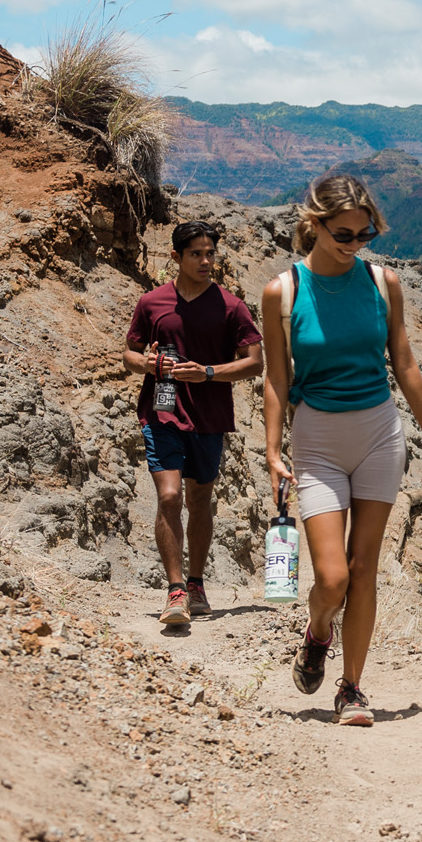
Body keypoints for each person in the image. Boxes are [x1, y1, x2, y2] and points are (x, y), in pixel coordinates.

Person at [260, 173, 422, 726]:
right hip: (316, 439)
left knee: (365, 570)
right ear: (312, 224)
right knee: (333, 578)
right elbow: (275, 376)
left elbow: (404, 362)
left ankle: (352, 689)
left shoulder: (384, 282)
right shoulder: (283, 291)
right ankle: (319, 630)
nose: (355, 244)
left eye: (365, 234)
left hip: (380, 434)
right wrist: (272, 450)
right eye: (344, 233)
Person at [124, 220, 264, 625]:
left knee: (200, 498)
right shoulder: (151, 303)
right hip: (161, 411)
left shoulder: (231, 306)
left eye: (210, 253)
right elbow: (129, 353)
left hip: (208, 417)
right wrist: (146, 363)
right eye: (196, 254)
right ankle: (175, 591)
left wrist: (206, 373)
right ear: (176, 258)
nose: (206, 261)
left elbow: (255, 364)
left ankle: (197, 582)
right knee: (170, 497)